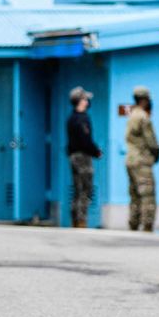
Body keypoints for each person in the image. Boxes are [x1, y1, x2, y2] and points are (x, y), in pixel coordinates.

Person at [124, 85, 159, 232]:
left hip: (130, 160)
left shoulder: (132, 115)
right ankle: (147, 226)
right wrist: (156, 153)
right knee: (147, 195)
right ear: (145, 100)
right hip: (142, 161)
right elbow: (151, 141)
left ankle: (133, 225)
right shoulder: (143, 117)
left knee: (134, 195)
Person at [66, 86, 102, 228]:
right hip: (83, 157)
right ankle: (81, 221)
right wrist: (96, 152)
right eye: (85, 99)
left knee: (77, 189)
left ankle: (74, 220)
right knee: (85, 189)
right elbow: (85, 140)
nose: (87, 101)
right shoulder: (82, 119)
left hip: (73, 156)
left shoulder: (71, 118)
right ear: (81, 101)